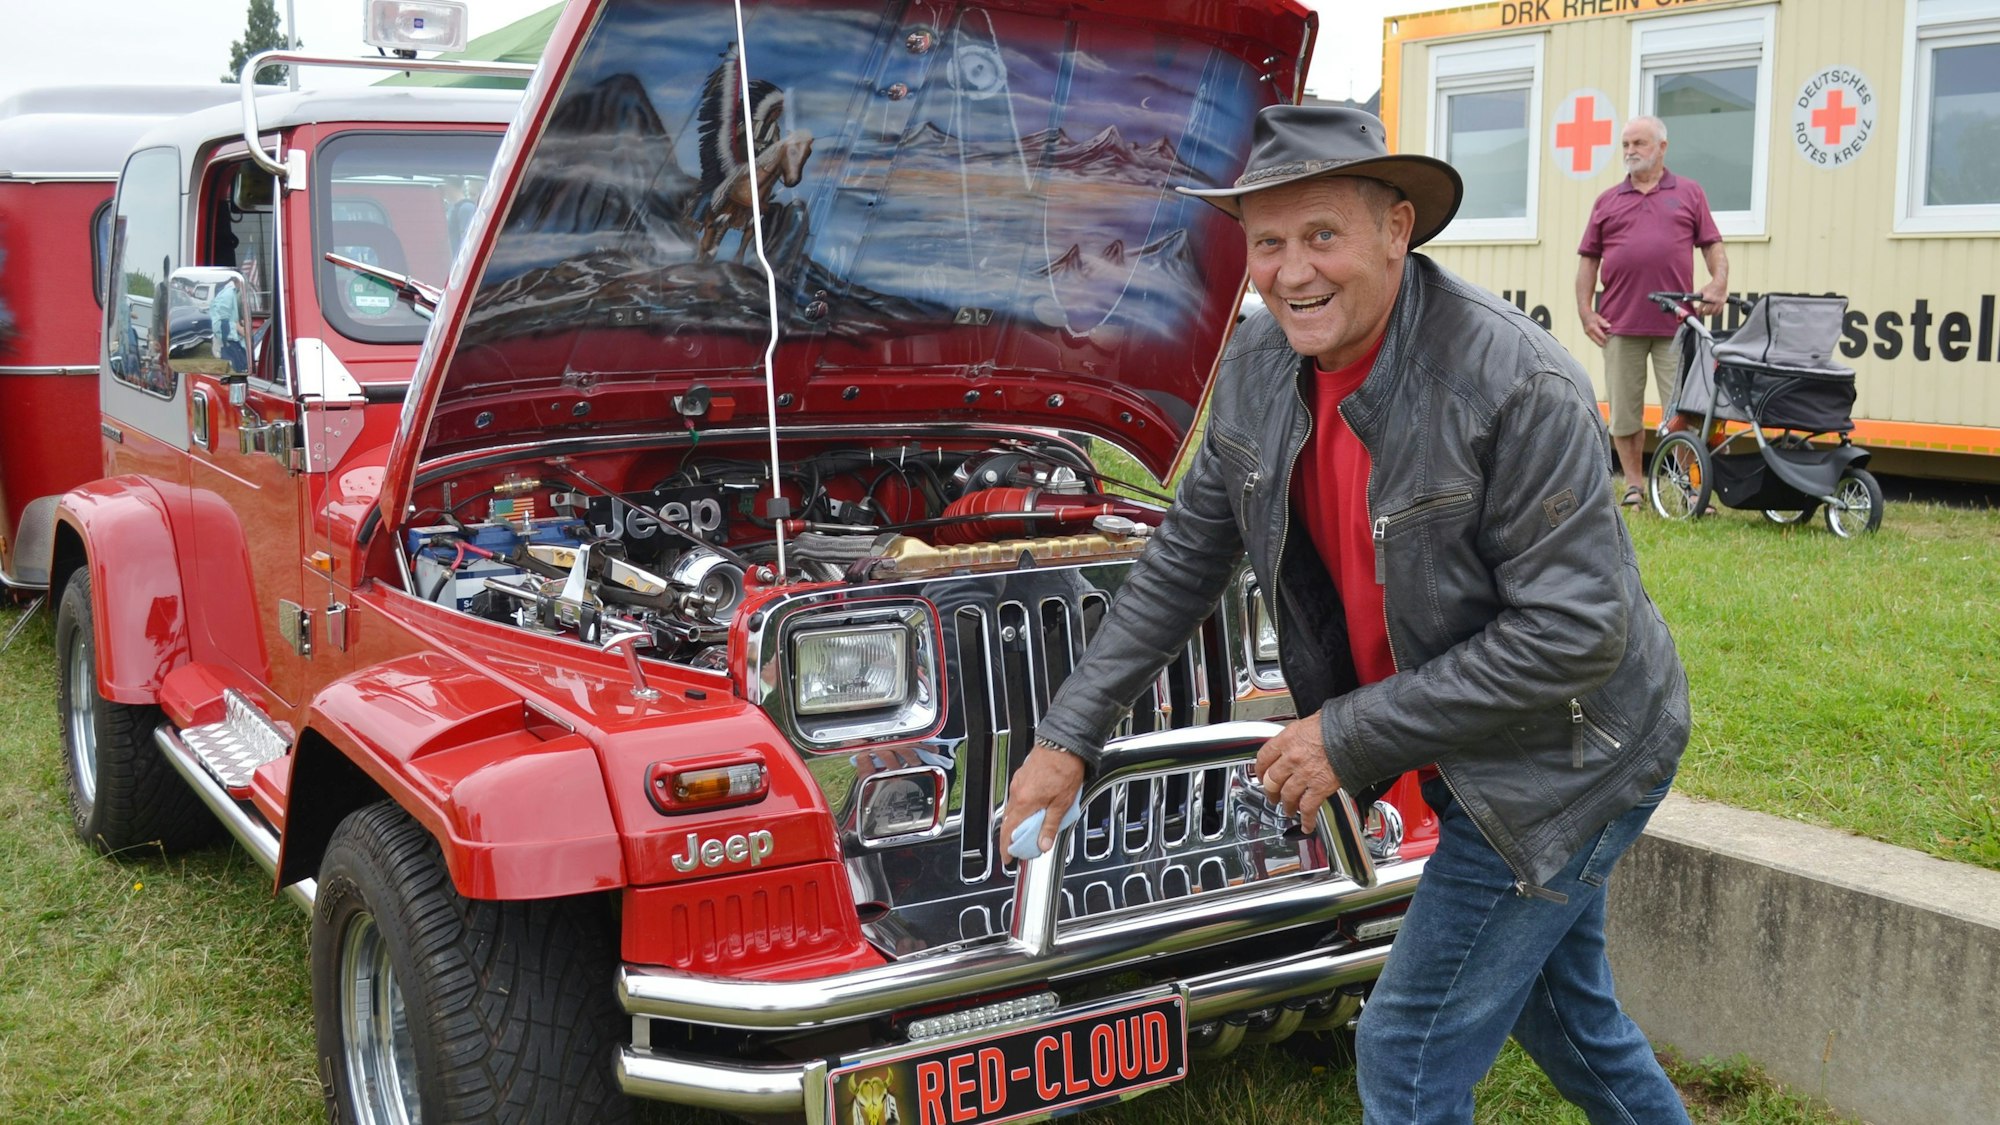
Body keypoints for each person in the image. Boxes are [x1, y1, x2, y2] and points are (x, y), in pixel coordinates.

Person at [999, 104, 1693, 1124]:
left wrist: (1346, 732)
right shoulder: (1253, 364)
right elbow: (1181, 561)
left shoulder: (1516, 383)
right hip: (1465, 743)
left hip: (1569, 757)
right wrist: (1069, 734)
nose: (1289, 272)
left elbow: (1572, 633)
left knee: (1406, 1049)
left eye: (1320, 235)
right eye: (1267, 243)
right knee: (1564, 1019)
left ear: (1395, 228)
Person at [1576, 115, 1728, 507]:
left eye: (1639, 144)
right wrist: (1585, 312)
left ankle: (1693, 488)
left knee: (1685, 411)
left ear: (1662, 147)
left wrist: (1718, 283)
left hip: (1676, 324)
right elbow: (1588, 260)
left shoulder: (1690, 193)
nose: (1630, 151)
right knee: (1625, 412)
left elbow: (1712, 246)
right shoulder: (1607, 201)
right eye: (1626, 144)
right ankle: (1633, 486)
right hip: (1619, 323)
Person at [210, 277, 246, 372]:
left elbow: (230, 317)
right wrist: (237, 328)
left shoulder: (232, 292)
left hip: (231, 340)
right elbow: (219, 324)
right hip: (227, 343)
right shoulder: (228, 294)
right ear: (238, 280)